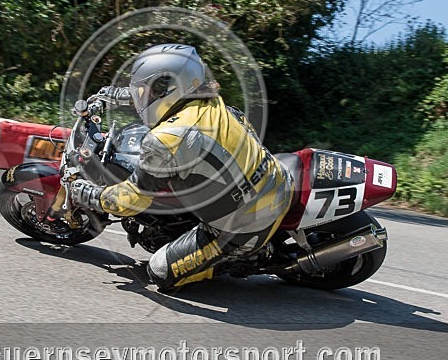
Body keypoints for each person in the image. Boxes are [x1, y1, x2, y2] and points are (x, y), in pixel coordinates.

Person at [69, 44, 294, 291]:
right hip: (273, 177)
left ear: (170, 89)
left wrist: (87, 193)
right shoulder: (208, 99)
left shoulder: (168, 138)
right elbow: (155, 97)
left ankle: (242, 256)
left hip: (247, 221)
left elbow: (130, 200)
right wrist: (112, 95)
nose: (141, 96)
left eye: (147, 90)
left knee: (159, 271)